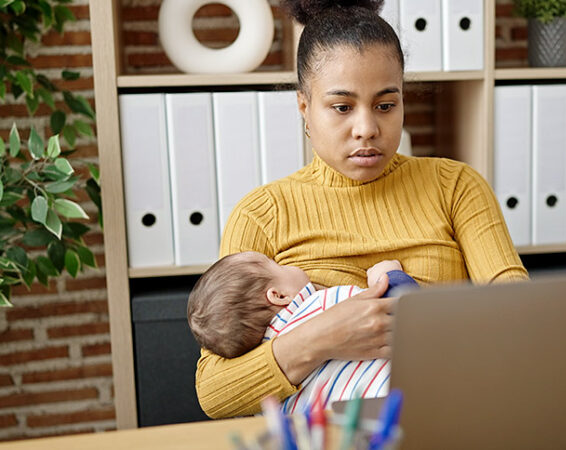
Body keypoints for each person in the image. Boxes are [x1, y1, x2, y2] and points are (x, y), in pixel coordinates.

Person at [195, 0, 529, 419]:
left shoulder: (455, 186)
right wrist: (325, 336)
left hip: (449, 419)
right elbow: (214, 392)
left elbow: (520, 315)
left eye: (386, 105)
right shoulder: (262, 213)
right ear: (304, 108)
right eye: (342, 107)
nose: (367, 128)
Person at [187, 252, 415, 411]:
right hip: (400, 403)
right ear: (278, 295)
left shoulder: (268, 397)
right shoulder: (322, 304)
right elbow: (404, 311)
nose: (290, 266)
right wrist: (387, 276)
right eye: (278, 264)